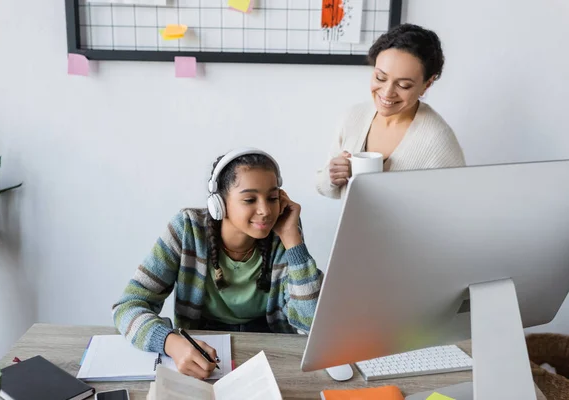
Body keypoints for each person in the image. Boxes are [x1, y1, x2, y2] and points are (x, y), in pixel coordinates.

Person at [112, 147, 323, 379]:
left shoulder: (285, 232)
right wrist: (171, 343)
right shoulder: (186, 230)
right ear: (219, 203)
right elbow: (128, 306)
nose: (265, 210)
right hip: (203, 347)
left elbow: (312, 324)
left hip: (271, 350)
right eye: (250, 199)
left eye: (272, 198)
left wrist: (294, 242)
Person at [316, 23, 466, 199]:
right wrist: (332, 177)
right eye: (380, 77)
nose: (387, 93)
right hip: (352, 227)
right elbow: (324, 187)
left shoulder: (437, 140)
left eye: (404, 85)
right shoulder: (353, 117)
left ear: (427, 84)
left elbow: (456, 208)